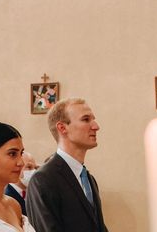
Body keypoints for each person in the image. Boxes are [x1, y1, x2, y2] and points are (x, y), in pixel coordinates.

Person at [26, 98, 108, 232]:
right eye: (86, 119)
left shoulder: (89, 179)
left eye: (93, 119)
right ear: (62, 128)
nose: (96, 126)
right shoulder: (43, 180)